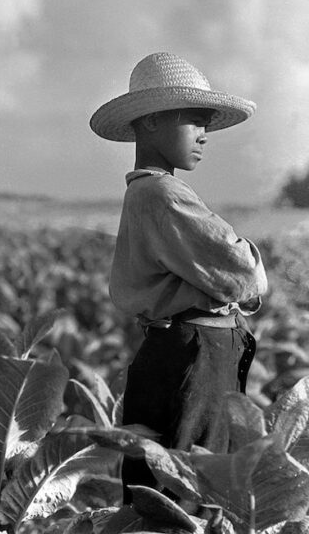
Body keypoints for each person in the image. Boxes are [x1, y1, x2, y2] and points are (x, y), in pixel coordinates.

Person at [89, 51, 266, 501]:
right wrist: (244, 264)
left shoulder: (151, 191)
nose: (204, 135)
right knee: (187, 489)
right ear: (149, 122)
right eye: (194, 121)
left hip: (183, 349)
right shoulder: (162, 193)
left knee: (174, 486)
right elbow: (243, 273)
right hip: (193, 356)